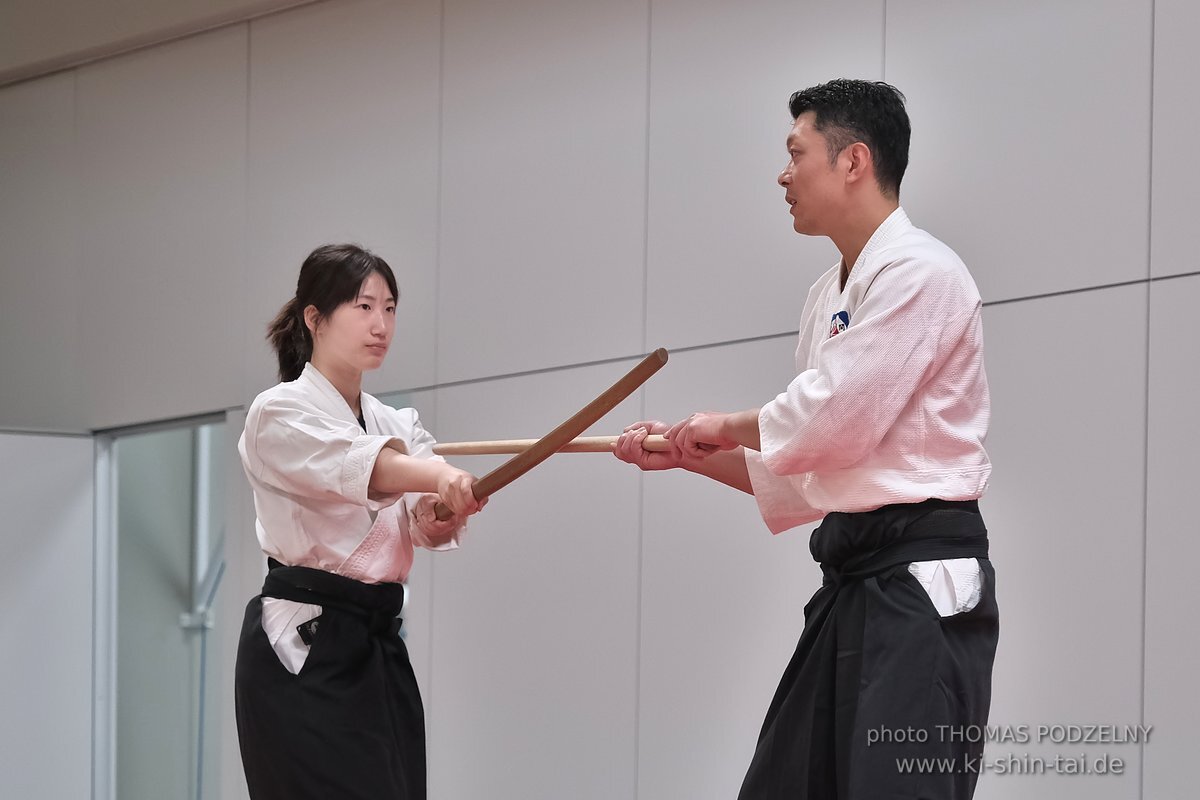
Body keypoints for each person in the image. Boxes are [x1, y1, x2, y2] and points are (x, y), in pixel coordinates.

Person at [615, 79, 998, 799]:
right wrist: (688, 456)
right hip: (853, 581)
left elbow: (831, 420)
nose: (783, 174)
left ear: (852, 160)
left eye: (797, 153)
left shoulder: (923, 272)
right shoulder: (828, 294)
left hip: (920, 586)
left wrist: (723, 424)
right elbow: (809, 472)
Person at [235, 243, 485, 800]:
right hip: (305, 641)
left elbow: (421, 520)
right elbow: (369, 470)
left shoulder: (394, 420)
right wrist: (435, 475)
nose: (381, 324)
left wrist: (443, 507)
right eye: (363, 306)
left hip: (376, 641)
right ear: (315, 318)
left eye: (390, 308)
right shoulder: (277, 411)